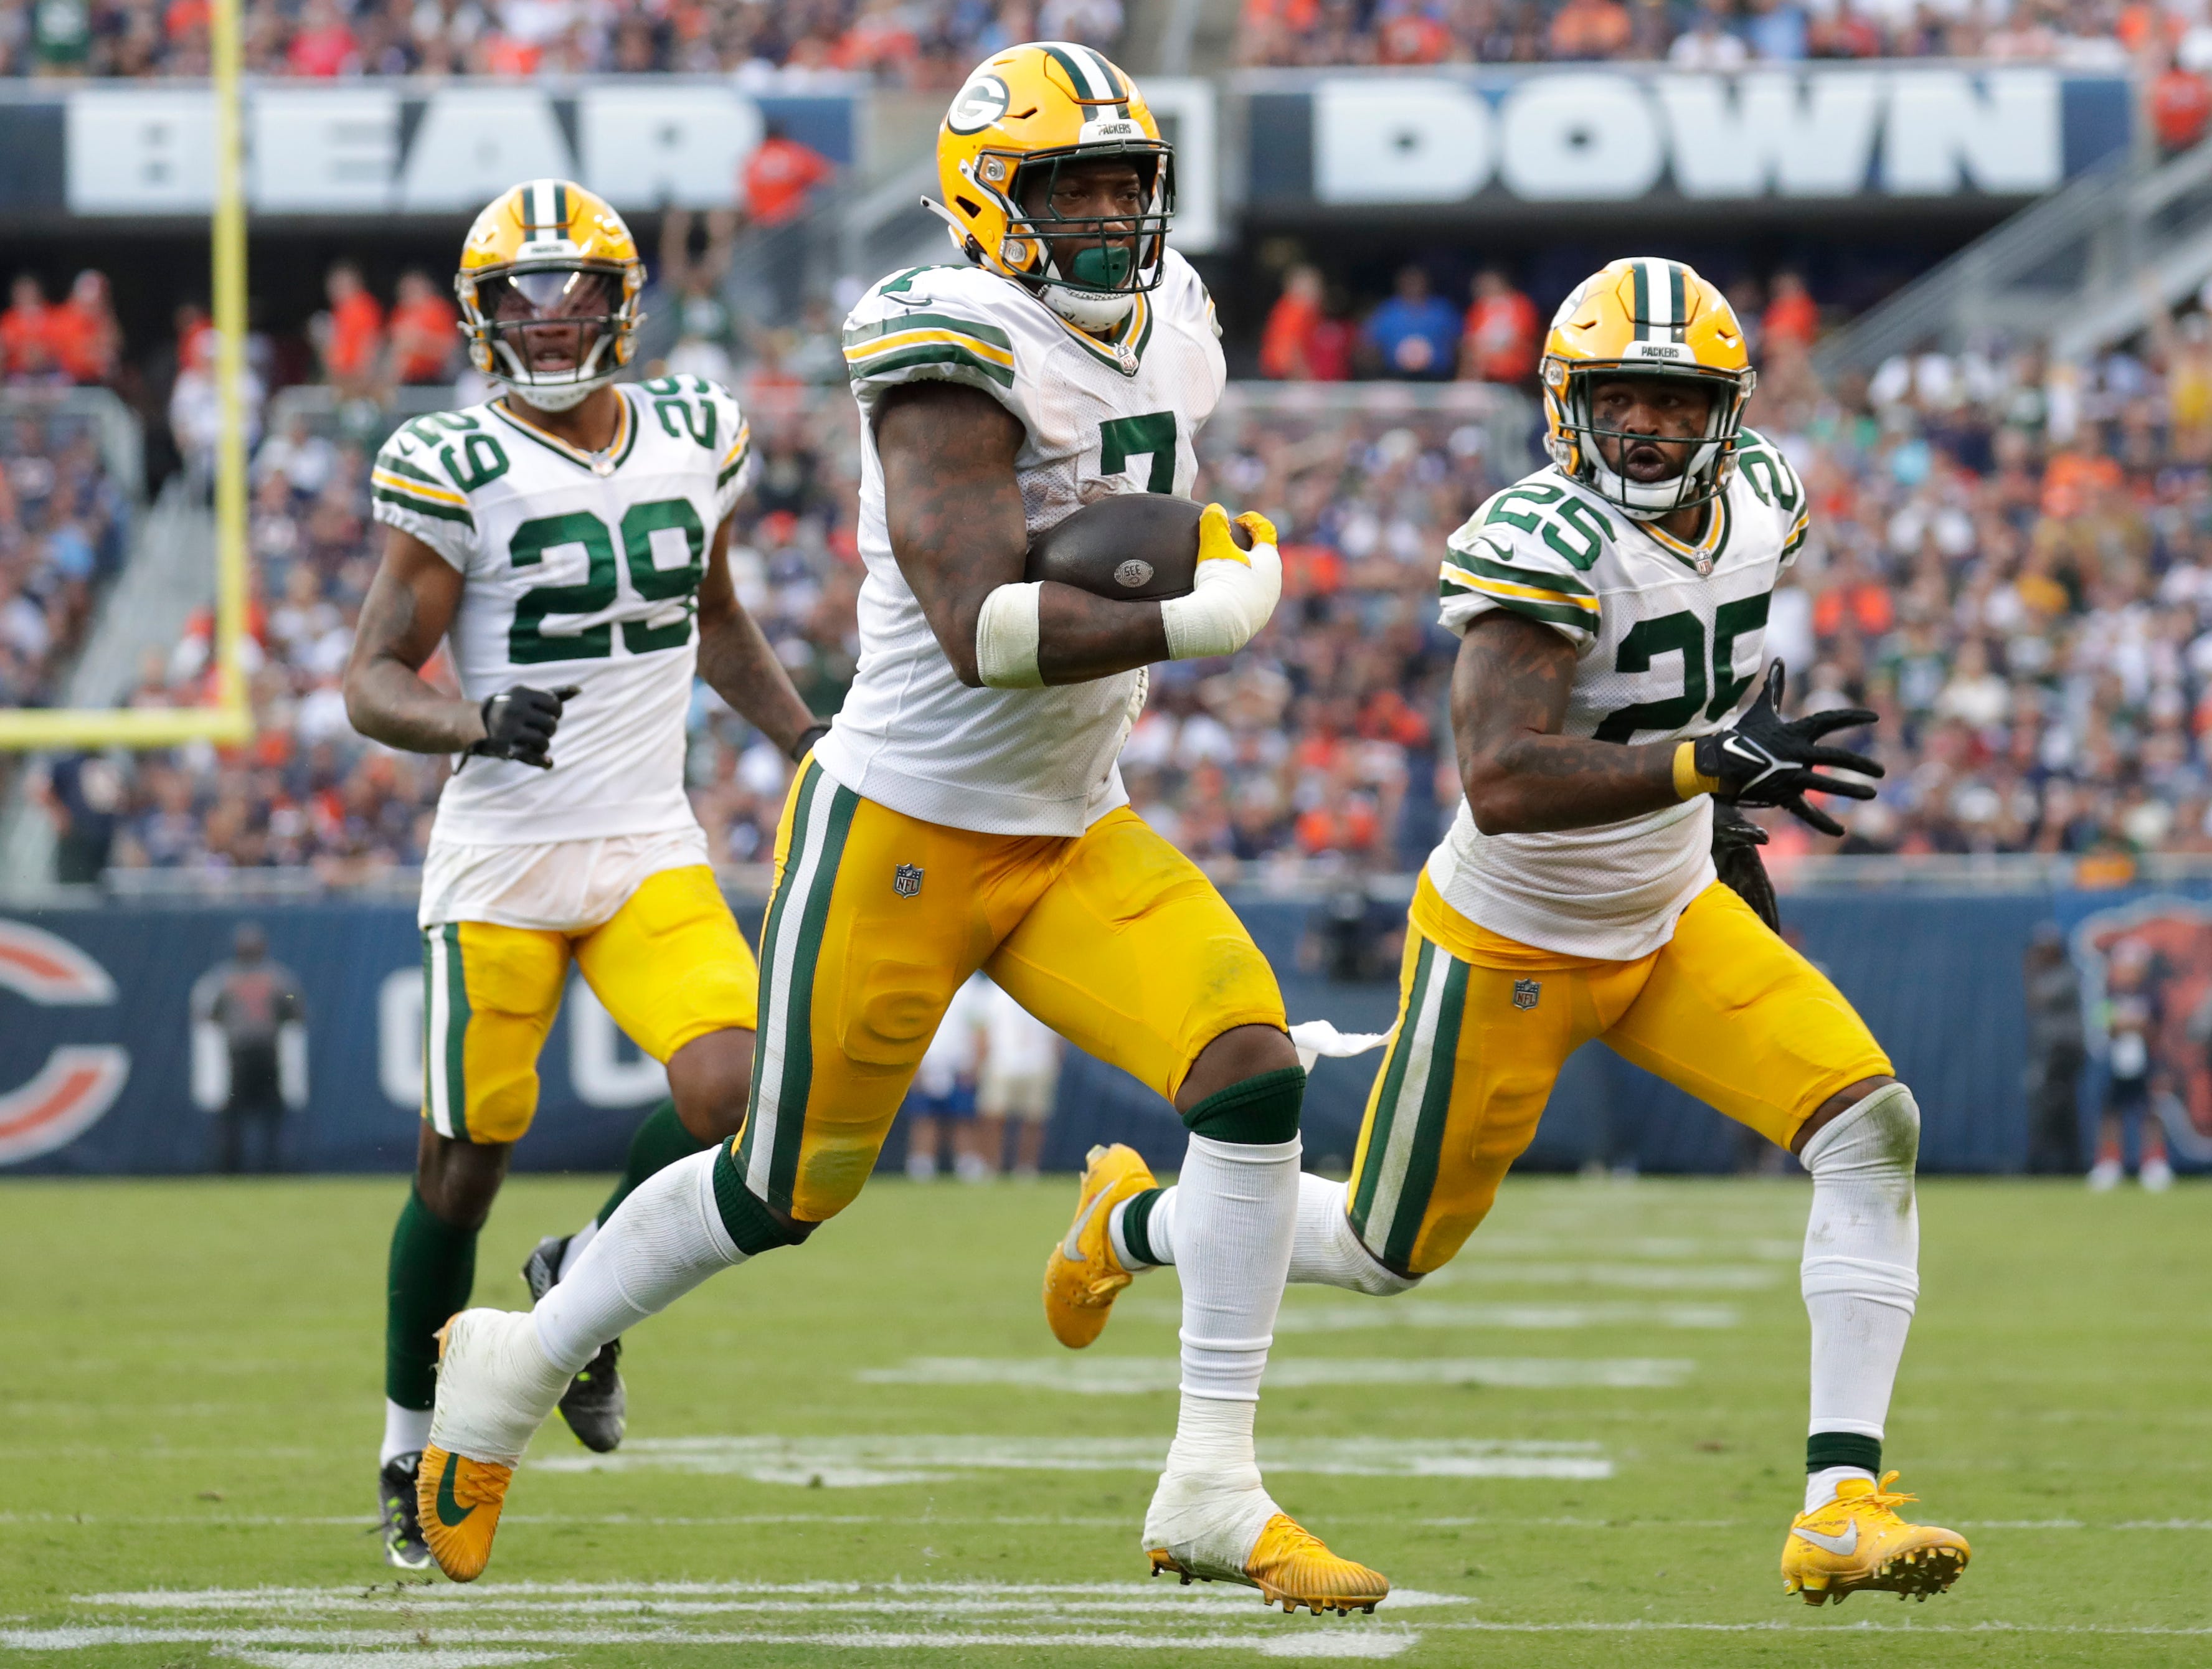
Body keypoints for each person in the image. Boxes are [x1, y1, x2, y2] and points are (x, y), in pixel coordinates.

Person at [418, 49, 1386, 1614]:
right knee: (781, 1185)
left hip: (1073, 819)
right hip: (910, 825)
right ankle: (513, 1363)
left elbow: (1115, 528)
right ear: (982, 201)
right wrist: (1198, 612)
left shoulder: (1182, 312)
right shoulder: (941, 340)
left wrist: (1179, 570)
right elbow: (979, 622)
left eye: (1122, 181)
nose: (1102, 213)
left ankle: (1212, 1479)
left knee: (1250, 1070)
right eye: (1065, 185)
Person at [1064, 258, 1973, 1610]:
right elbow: (1502, 774)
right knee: (1384, 1249)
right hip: (1514, 941)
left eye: (1673, 399)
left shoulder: (1765, 502)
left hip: (1667, 917)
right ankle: (1132, 1222)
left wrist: (1718, 831)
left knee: (1869, 1123)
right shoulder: (1541, 536)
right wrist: (1707, 768)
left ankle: (1837, 1503)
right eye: (1619, 399)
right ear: (1568, 406)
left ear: (1726, 411)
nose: (1646, 427)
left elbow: (1705, 681)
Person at [341, 177, 823, 1572]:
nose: (552, 326)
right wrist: (473, 718)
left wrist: (806, 739)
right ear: (481, 318)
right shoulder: (457, 462)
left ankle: (585, 1286)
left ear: (626, 301)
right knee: (463, 1160)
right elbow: (372, 678)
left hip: (642, 839)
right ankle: (407, 1433)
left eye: (576, 296)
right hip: (498, 854)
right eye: (521, 302)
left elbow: (715, 616)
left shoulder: (694, 431)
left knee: (740, 1089)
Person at [189, 923, 306, 1175]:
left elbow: (208, 1013)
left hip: (241, 1053)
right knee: (271, 1114)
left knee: (235, 1114)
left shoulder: (225, 980)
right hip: (266, 1051)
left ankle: (232, 1167)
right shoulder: (277, 979)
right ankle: (273, 1166)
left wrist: (232, 1024)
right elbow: (295, 1009)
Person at [2089, 943, 2171, 1189]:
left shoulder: (2152, 995)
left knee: (2149, 1113)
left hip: (2145, 1063)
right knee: (2111, 1113)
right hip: (2116, 1064)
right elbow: (2106, 1024)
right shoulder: (2110, 994)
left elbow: (2152, 1028)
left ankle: (2154, 1162)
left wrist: (2131, 1023)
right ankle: (2110, 1162)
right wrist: (2129, 1022)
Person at [902, 970, 988, 1180]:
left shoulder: (970, 989)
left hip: (959, 1066)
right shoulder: (920, 987)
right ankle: (922, 1164)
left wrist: (975, 1065)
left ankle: (966, 1163)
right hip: (928, 1063)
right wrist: (914, 1066)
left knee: (962, 1117)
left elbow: (979, 1031)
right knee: (924, 1118)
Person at [976, 971, 1062, 1177]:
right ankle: (991, 1166)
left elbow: (1058, 1033)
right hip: (1001, 1063)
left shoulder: (1046, 994)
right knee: (993, 1118)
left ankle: (1026, 1168)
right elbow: (982, 1031)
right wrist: (980, 1062)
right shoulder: (992, 993)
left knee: (1034, 1120)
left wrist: (1055, 1062)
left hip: (1039, 1063)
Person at [2023, 924, 2086, 1175]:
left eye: (2045, 950)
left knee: (2059, 1104)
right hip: (2052, 1050)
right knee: (2053, 1104)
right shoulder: (2050, 975)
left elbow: (2038, 998)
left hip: (2066, 1051)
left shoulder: (2065, 975)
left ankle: (2065, 1163)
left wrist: (2029, 971)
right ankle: (2054, 1163)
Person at [1362, 266, 1459, 381]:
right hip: (1395, 378)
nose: (1413, 285)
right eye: (1408, 282)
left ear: (1426, 283)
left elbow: (1460, 343)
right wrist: (1374, 375)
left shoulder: (1442, 310)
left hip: (1437, 377)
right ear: (1399, 284)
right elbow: (1368, 346)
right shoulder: (1386, 312)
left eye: (1417, 281)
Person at [1460, 267, 1539, 385]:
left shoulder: (1521, 305)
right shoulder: (1478, 309)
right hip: (1483, 373)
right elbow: (1471, 342)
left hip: (1517, 373)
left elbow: (1521, 339)